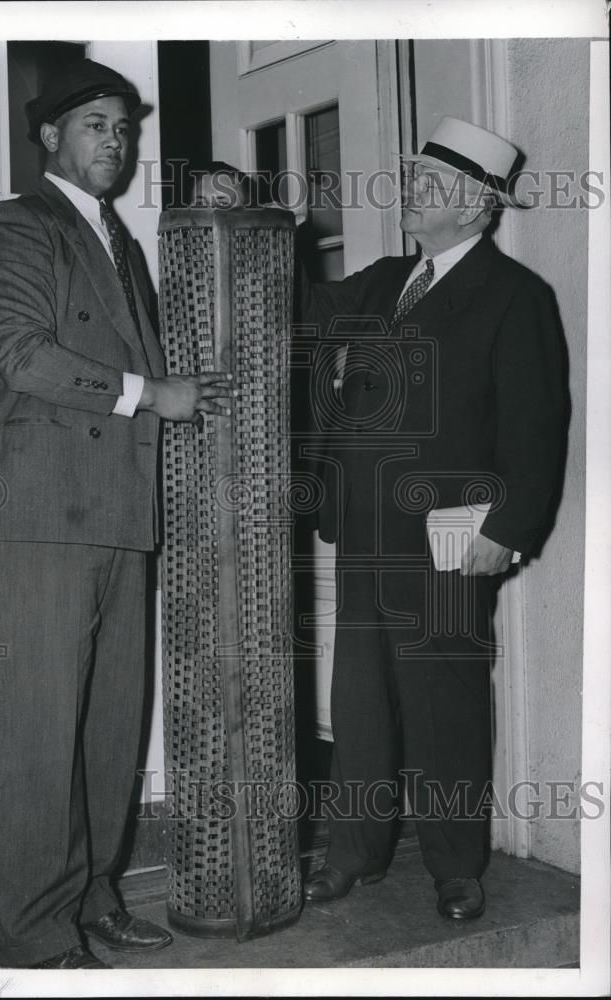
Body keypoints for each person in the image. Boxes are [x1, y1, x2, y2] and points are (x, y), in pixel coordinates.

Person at [0, 59, 233, 969]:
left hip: (120, 512)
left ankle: (94, 893)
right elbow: (25, 359)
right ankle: (37, 940)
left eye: (123, 127)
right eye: (94, 125)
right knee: (43, 730)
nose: (114, 142)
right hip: (40, 509)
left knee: (111, 726)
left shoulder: (120, 237)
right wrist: (153, 392)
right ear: (50, 136)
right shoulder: (17, 225)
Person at [301, 117, 565, 921]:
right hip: (365, 528)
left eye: (432, 185)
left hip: (453, 536)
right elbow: (300, 306)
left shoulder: (516, 296)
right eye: (414, 178)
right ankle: (354, 853)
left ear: (479, 209)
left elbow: (535, 427)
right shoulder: (383, 280)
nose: (411, 193)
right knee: (360, 701)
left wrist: (507, 530)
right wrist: (247, 222)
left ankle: (456, 864)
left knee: (444, 700)